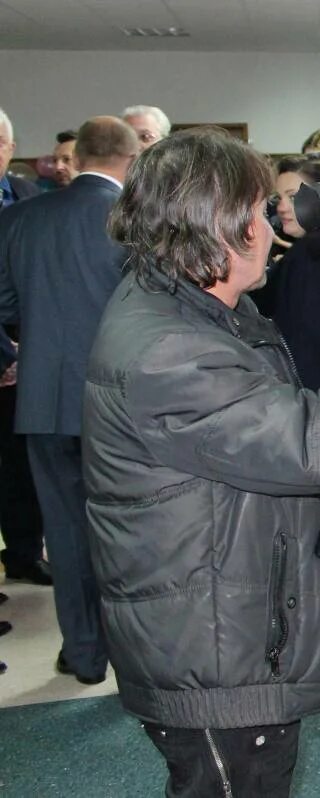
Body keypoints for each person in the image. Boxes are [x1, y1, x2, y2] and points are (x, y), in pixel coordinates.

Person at [83, 127, 320, 796]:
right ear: (220, 225)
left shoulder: (193, 310)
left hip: (223, 626)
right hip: (216, 656)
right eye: (258, 209)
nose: (272, 223)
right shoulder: (171, 349)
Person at [0, 116, 140, 683]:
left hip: (44, 400)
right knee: (128, 527)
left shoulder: (20, 217)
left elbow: (4, 303)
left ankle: (83, 653)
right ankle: (132, 647)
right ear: (131, 162)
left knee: (64, 527)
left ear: (76, 157)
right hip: (122, 402)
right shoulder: (135, 222)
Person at [0, 105, 47, 589]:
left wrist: (20, 355)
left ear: (11, 148)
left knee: (20, 468)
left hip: (27, 360)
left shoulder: (31, 198)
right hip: (8, 354)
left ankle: (24, 553)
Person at [262, 152, 320, 390]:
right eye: (278, 198)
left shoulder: (312, 253)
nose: (281, 208)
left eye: (293, 197)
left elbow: (318, 340)